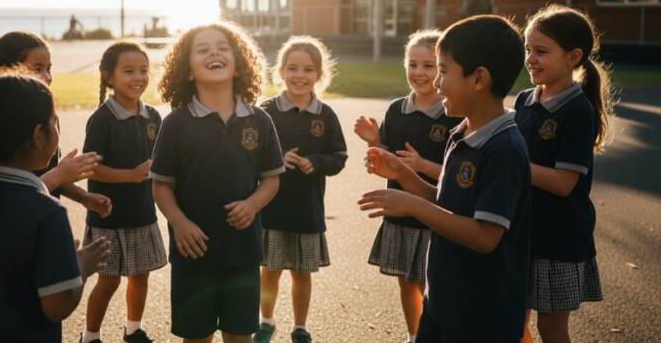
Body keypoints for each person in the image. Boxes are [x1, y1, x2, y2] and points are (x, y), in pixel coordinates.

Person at [359, 15, 531, 343]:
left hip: (481, 314)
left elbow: (485, 236)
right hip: (442, 300)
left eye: (443, 71)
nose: (436, 83)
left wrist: (410, 205)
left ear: (479, 79)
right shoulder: (462, 131)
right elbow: (446, 201)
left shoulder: (504, 148)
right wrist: (403, 175)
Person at [0, 74, 110, 342]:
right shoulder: (47, 213)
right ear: (38, 136)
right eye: (54, 121)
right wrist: (81, 266)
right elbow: (56, 307)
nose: (57, 128)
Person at [150, 22, 285, 343]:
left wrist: (253, 204)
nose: (214, 52)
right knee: (197, 336)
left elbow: (271, 179)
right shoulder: (176, 123)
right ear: (187, 71)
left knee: (239, 335)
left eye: (223, 47)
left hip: (243, 253)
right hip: (193, 253)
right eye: (203, 49)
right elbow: (161, 185)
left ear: (239, 63)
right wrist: (179, 223)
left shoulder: (259, 120)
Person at [354, 30, 460, 343]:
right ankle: (415, 335)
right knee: (406, 282)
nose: (419, 72)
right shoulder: (395, 109)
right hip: (399, 214)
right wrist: (375, 142)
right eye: (412, 64)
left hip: (435, 214)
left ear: (442, 69)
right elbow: (387, 154)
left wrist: (423, 166)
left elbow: (461, 175)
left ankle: (436, 335)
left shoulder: (453, 113)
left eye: (429, 65)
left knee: (434, 284)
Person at [516, 5, 611, 343]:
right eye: (528, 49)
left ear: (573, 57)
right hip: (522, 232)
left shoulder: (577, 111)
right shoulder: (524, 100)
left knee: (551, 328)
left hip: (558, 237)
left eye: (541, 51)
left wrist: (512, 165)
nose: (530, 58)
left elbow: (563, 183)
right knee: (512, 320)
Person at [254, 36, 347, 343]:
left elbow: (339, 157)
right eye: (292, 68)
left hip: (307, 210)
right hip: (272, 209)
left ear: (319, 75)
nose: (300, 75)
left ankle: (300, 326)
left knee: (301, 273)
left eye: (308, 69)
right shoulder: (265, 111)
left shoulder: (326, 115)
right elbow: (249, 156)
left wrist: (316, 162)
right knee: (269, 270)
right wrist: (277, 160)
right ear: (280, 71)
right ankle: (266, 321)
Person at [80, 42, 167, 343]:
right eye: (128, 71)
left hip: (142, 214)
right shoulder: (102, 120)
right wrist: (131, 176)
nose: (138, 77)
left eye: (143, 70)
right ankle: (90, 336)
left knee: (140, 277)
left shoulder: (154, 116)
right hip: (109, 217)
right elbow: (91, 168)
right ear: (108, 77)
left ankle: (133, 330)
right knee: (108, 281)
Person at [0, 31, 110, 217]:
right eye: (38, 69)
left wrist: (83, 197)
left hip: (43, 220)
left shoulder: (47, 114)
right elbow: (10, 199)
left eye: (49, 68)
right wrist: (60, 174)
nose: (47, 76)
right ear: (5, 71)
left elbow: (51, 172)